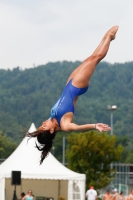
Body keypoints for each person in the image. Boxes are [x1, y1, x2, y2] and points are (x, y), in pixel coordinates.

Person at [26, 25, 119, 164]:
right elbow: (77, 128)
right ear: (51, 131)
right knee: (95, 59)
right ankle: (109, 37)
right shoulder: (64, 124)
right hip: (77, 86)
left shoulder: (52, 119)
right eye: (43, 126)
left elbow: (44, 133)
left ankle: (106, 38)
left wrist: (38, 134)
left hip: (69, 83)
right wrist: (94, 126)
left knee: (90, 59)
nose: (43, 123)